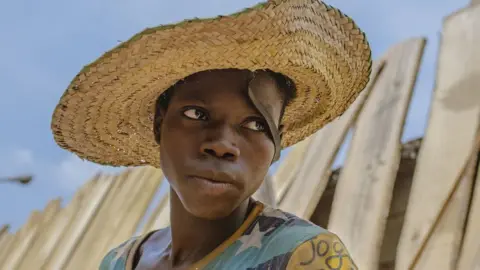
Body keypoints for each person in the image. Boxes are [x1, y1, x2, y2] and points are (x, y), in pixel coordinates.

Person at [51, 0, 372, 269]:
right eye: (197, 114)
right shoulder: (119, 262)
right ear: (159, 124)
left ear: (277, 143)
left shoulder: (301, 255)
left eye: (256, 125)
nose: (222, 145)